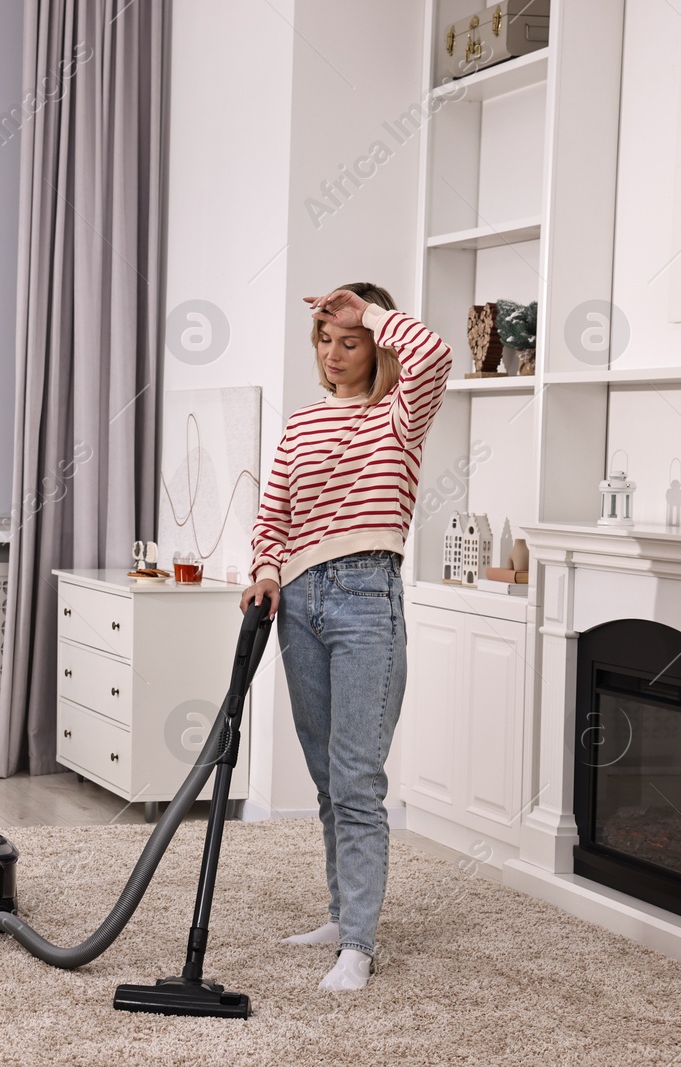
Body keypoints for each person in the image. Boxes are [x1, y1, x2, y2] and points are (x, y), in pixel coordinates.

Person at [241, 283, 452, 991]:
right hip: (298, 604)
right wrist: (267, 570)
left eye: (350, 339)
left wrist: (371, 311)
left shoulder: (399, 416)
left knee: (358, 779)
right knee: (330, 779)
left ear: (378, 343)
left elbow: (436, 352)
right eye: (325, 340)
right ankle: (341, 915)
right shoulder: (301, 425)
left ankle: (359, 943)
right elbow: (272, 518)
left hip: (367, 598)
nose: (333, 353)